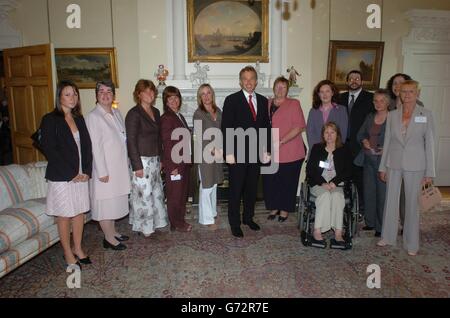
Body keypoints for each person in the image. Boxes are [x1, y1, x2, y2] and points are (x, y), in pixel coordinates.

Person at [378, 80, 435, 256]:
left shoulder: (425, 114)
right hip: (394, 163)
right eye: (404, 91)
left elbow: (430, 144)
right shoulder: (393, 115)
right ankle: (387, 236)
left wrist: (430, 172)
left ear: (417, 93)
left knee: (412, 204)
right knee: (391, 201)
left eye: (411, 91)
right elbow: (387, 141)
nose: (407, 95)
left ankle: (411, 243)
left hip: (416, 164)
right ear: (399, 93)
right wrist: (383, 167)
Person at [40, 80, 92, 269]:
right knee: (64, 216)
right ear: (59, 96)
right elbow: (50, 151)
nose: (72, 98)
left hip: (80, 175)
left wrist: (86, 171)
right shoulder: (50, 119)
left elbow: (87, 147)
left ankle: (78, 248)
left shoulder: (79, 119)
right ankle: (67, 252)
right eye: (68, 94)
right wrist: (71, 174)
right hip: (62, 177)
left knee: (79, 213)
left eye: (75, 94)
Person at [221, 66, 271, 238]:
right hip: (237, 153)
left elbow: (266, 128)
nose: (249, 82)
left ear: (256, 81)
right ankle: (234, 223)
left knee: (251, 189)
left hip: (256, 154)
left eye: (252, 79)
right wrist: (228, 152)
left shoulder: (264, 101)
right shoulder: (231, 100)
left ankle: (248, 218)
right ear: (240, 81)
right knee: (236, 190)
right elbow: (226, 128)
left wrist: (267, 150)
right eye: (245, 79)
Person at [85, 81, 131, 250]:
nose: (105, 94)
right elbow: (94, 146)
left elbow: (122, 138)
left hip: (118, 167)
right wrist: (102, 172)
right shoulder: (93, 117)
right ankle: (108, 238)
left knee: (114, 202)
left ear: (113, 95)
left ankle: (113, 232)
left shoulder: (117, 112)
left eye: (109, 91)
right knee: (105, 205)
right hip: (104, 170)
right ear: (96, 95)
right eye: (101, 91)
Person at [125, 79, 168, 237]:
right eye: (146, 91)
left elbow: (159, 138)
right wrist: (137, 166)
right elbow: (131, 141)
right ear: (139, 94)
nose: (150, 94)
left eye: (152, 91)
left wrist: (161, 158)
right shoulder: (133, 114)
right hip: (141, 161)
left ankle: (156, 222)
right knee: (143, 195)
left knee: (156, 193)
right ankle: (144, 227)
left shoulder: (156, 112)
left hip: (155, 160)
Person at [385, 73, 424, 231]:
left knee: (407, 197)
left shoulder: (419, 108)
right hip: (392, 158)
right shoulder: (389, 106)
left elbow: (423, 136)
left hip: (412, 160)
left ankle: (407, 225)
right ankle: (391, 227)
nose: (398, 86)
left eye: (402, 84)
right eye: (395, 83)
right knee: (392, 195)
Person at [264, 76, 306, 222]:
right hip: (271, 152)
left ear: (287, 90)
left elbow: (299, 127)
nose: (280, 90)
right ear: (273, 87)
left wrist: (281, 142)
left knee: (287, 182)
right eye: (278, 86)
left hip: (291, 151)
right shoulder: (267, 103)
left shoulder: (294, 103)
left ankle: (285, 210)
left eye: (283, 87)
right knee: (272, 181)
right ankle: (274, 207)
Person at [306, 122, 352, 248]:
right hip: (319, 183)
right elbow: (310, 170)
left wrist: (334, 183)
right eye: (326, 132)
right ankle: (317, 230)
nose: (329, 135)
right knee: (325, 196)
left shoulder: (344, 149)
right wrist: (323, 183)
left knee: (337, 197)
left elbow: (348, 170)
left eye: (332, 132)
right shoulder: (317, 148)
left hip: (337, 183)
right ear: (323, 135)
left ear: (337, 134)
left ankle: (338, 232)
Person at [354, 89, 390, 237]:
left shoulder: (393, 118)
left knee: (382, 195)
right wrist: (364, 140)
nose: (378, 103)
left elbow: (399, 140)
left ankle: (381, 226)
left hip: (384, 162)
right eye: (375, 100)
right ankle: (370, 222)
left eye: (382, 101)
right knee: (369, 192)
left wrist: (387, 149)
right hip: (368, 159)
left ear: (388, 102)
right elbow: (360, 134)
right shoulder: (370, 117)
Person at [338, 70, 375, 216]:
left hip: (361, 146)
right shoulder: (340, 98)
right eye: (351, 78)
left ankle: (361, 209)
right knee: (344, 177)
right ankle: (346, 207)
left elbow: (373, 121)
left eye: (357, 78)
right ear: (347, 81)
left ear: (362, 82)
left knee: (360, 179)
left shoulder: (370, 98)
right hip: (342, 145)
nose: (354, 81)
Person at [160, 86, 192, 232]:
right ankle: (177, 223)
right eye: (170, 98)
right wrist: (172, 166)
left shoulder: (179, 116)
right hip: (174, 164)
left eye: (176, 97)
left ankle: (178, 221)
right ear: (166, 102)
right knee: (175, 195)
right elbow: (167, 143)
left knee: (181, 193)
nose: (173, 100)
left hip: (183, 162)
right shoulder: (166, 118)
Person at [193, 84, 223, 230]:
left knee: (214, 184)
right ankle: (206, 219)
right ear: (200, 97)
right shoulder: (198, 113)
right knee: (206, 186)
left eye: (208, 93)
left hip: (217, 154)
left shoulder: (219, 111)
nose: (206, 96)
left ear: (212, 94)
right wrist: (212, 150)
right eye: (203, 94)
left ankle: (212, 212)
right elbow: (200, 136)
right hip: (205, 155)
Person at [306, 80, 348, 149]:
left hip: (336, 150)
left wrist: (336, 149)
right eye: (322, 92)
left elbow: (342, 133)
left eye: (327, 91)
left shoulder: (342, 110)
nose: (324, 95)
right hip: (317, 150)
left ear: (332, 93)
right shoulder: (313, 111)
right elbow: (310, 133)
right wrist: (316, 149)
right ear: (318, 94)